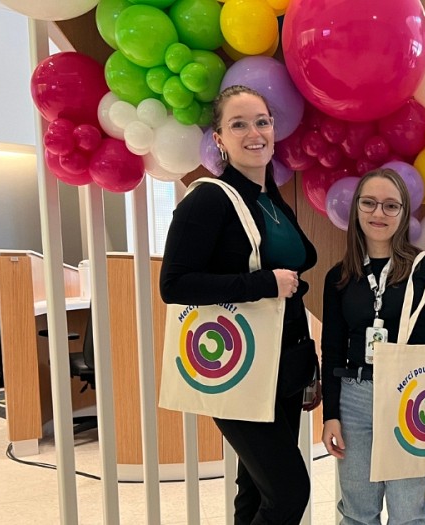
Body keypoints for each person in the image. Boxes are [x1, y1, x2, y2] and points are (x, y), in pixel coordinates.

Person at [160, 85, 320, 525]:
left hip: (284, 365)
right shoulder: (208, 198)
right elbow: (175, 285)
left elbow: (291, 281)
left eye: (262, 122)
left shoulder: (271, 199)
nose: (254, 133)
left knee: (256, 489)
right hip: (241, 366)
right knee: (289, 493)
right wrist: (263, 283)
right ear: (219, 138)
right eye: (239, 124)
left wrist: (307, 359)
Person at [320, 168, 425, 525]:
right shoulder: (339, 276)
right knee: (357, 513)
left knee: (407, 513)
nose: (378, 213)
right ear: (356, 209)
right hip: (354, 400)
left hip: (409, 397)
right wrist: (330, 414)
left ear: (404, 212)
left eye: (390, 205)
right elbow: (332, 349)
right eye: (369, 203)